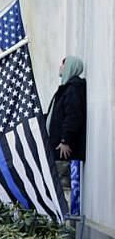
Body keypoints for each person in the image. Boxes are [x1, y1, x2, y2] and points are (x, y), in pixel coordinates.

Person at [46, 56, 86, 191]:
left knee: (63, 185)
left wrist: (65, 140)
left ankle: (65, 212)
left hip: (62, 149)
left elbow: (73, 116)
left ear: (69, 67)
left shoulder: (73, 89)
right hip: (57, 145)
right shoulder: (66, 88)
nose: (60, 67)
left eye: (63, 64)